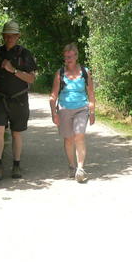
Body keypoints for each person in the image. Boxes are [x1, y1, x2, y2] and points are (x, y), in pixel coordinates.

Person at [0, 20, 37, 181]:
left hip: (19, 99)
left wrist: (13, 70)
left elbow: (31, 78)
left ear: (18, 36)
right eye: (7, 35)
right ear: (3, 36)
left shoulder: (25, 54)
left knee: (16, 133)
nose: (9, 38)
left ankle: (16, 164)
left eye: (13, 35)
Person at [49, 43, 95, 183]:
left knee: (79, 136)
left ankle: (80, 168)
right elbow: (53, 96)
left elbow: (91, 94)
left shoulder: (85, 72)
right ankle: (71, 166)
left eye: (70, 57)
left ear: (76, 56)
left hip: (81, 108)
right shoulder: (60, 73)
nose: (67, 59)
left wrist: (92, 112)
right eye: (65, 57)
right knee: (68, 139)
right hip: (64, 108)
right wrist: (54, 113)